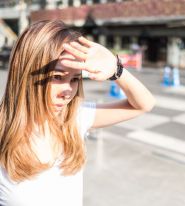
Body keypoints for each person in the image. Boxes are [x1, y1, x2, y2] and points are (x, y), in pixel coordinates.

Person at [0, 20, 155, 206]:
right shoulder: (3, 131)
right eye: (57, 77)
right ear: (25, 73)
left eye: (74, 79)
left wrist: (116, 69)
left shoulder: (73, 120)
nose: (67, 91)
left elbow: (143, 105)